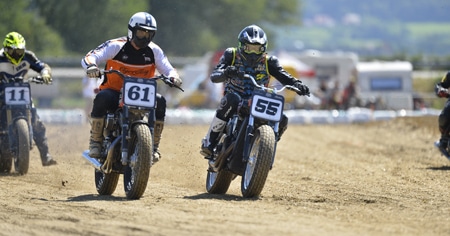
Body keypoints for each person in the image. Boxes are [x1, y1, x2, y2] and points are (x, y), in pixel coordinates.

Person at [81, 12, 182, 163]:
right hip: (114, 92)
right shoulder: (116, 45)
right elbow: (91, 56)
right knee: (102, 97)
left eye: (149, 34)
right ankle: (95, 140)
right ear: (132, 31)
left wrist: (174, 77)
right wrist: (91, 67)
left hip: (143, 94)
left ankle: (153, 146)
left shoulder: (155, 51)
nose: (145, 38)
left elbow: (168, 68)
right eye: (141, 32)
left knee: (160, 101)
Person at [200, 25, 310, 158]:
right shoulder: (231, 54)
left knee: (283, 119)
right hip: (235, 98)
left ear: (264, 48)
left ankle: (266, 150)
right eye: (249, 48)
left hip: (258, 100)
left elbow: (284, 76)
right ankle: (210, 141)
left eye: (257, 49)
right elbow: (215, 75)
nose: (253, 53)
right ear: (242, 45)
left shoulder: (270, 61)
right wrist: (227, 72)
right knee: (231, 100)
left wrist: (297, 85)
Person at [0, 32, 57, 166]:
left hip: (22, 92)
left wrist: (45, 74)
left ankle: (46, 155)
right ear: (6, 49)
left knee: (36, 121)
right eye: (13, 51)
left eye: (19, 51)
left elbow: (43, 66)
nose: (16, 54)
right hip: (2, 93)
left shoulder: (28, 56)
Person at [435, 71, 450, 155]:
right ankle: (444, 138)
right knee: (444, 116)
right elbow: (440, 85)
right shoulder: (449, 75)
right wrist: (441, 90)